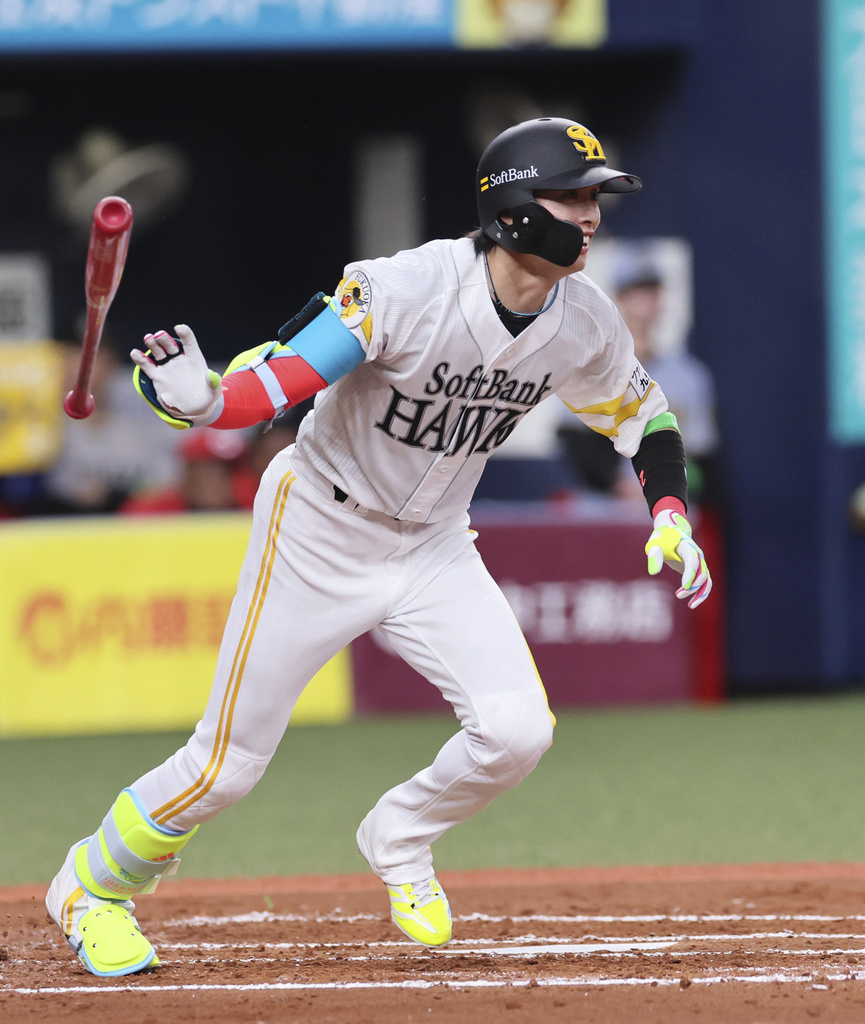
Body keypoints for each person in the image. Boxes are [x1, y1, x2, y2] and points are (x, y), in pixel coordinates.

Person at [45, 116, 712, 977]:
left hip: (434, 545)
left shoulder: (583, 320)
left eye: (595, 199)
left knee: (516, 733)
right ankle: (90, 889)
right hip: (319, 529)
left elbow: (645, 418)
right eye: (570, 196)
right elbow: (280, 383)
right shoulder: (404, 288)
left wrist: (668, 511)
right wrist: (204, 402)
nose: (589, 215)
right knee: (226, 767)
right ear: (512, 210)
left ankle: (399, 832)